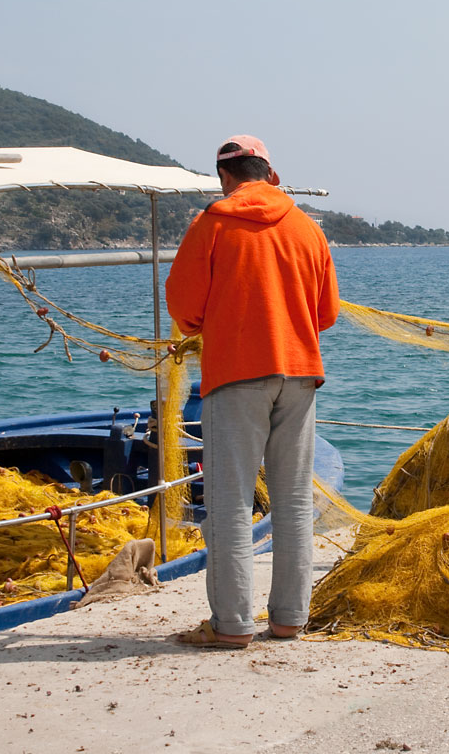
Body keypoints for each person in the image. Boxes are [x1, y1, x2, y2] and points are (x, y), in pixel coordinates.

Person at [165, 135, 339, 648]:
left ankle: (233, 625)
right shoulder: (307, 228)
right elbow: (326, 312)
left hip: (236, 374)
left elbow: (183, 308)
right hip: (301, 372)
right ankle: (289, 619)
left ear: (225, 177)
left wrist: (214, 321)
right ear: (272, 174)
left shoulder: (213, 223)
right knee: (292, 498)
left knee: (231, 499)